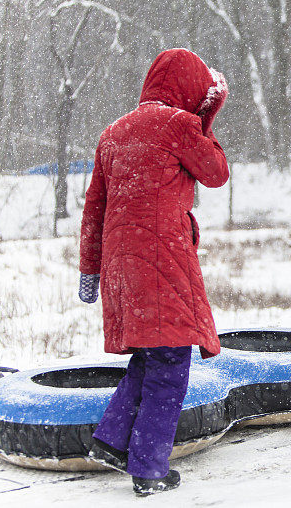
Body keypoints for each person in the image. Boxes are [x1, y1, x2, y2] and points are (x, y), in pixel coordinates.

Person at [78, 48, 229, 496]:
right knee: (171, 362)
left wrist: (90, 269)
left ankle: (110, 439)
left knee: (149, 354)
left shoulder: (113, 132)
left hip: (120, 264)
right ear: (189, 90)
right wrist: (206, 122)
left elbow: (94, 208)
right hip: (162, 259)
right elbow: (217, 172)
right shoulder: (179, 125)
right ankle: (148, 468)